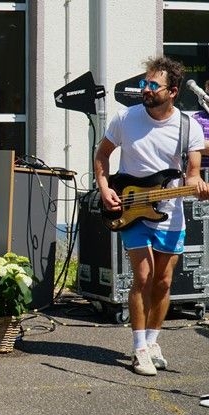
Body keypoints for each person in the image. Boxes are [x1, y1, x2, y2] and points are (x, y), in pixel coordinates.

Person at [94, 56, 209, 376]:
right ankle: (139, 348)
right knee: (142, 277)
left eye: (153, 85)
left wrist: (198, 187)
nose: (145, 89)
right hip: (132, 209)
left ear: (172, 92)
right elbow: (102, 154)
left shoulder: (188, 126)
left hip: (170, 214)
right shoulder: (125, 118)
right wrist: (104, 188)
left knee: (163, 281)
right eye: (144, 83)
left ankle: (153, 341)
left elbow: (191, 175)